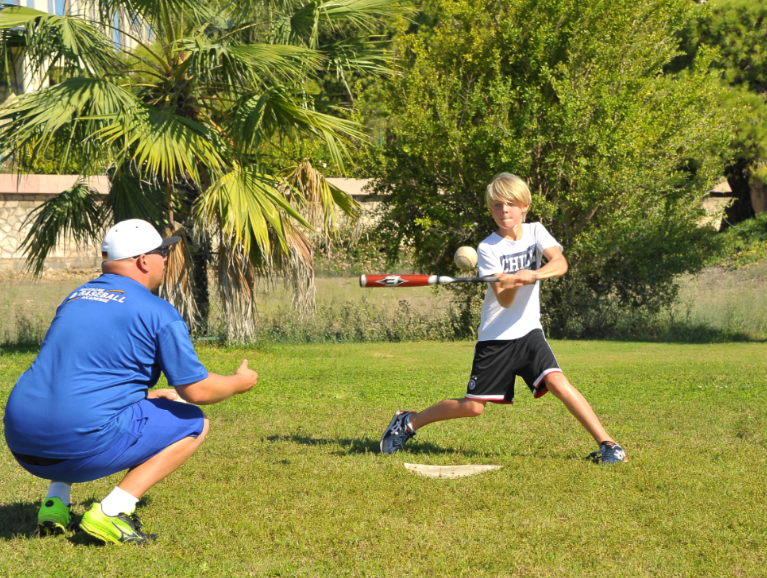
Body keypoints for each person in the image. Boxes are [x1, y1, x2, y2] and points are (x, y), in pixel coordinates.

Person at [3, 219, 258, 544]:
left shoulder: (76, 297)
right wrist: (239, 381)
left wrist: (146, 396)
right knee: (195, 423)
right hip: (76, 446)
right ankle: (111, 512)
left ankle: (55, 503)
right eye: (162, 253)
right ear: (143, 260)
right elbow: (197, 390)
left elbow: (77, 380)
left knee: (72, 407)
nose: (166, 260)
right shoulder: (157, 311)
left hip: (21, 439)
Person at [379, 173, 626, 464]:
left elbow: (559, 263)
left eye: (511, 203)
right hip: (496, 337)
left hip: (529, 331)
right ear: (491, 209)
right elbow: (504, 299)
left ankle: (609, 445)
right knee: (473, 408)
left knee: (558, 382)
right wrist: (511, 282)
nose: (504, 210)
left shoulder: (536, 232)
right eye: (497, 205)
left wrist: (532, 274)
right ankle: (408, 421)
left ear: (524, 207)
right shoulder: (488, 249)